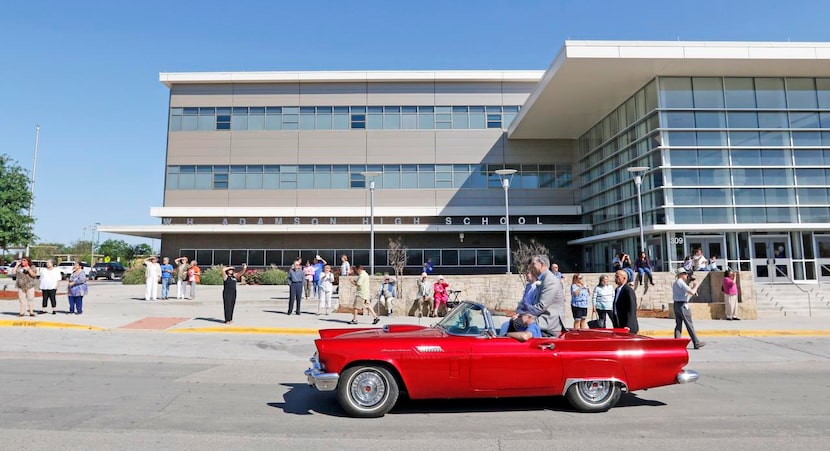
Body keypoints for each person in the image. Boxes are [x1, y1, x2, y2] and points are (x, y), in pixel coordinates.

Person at [517, 255, 566, 337]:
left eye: (533, 264)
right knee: (513, 323)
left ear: (542, 264)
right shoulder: (543, 279)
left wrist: (522, 315)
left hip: (548, 325)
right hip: (540, 320)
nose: (531, 267)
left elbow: (541, 305)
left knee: (516, 325)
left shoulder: (550, 280)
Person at [673, 270, 706, 349]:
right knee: (689, 324)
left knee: (678, 325)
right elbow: (691, 292)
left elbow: (685, 291)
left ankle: (677, 343)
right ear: (681, 274)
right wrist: (695, 286)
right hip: (683, 305)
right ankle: (696, 342)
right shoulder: (681, 282)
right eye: (685, 274)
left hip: (676, 305)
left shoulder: (676, 283)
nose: (686, 275)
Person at [612, 270, 639, 334]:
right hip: (619, 323)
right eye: (615, 276)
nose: (615, 278)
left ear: (624, 278)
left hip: (627, 326)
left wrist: (628, 325)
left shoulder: (628, 290)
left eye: (617, 276)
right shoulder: (617, 290)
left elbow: (632, 308)